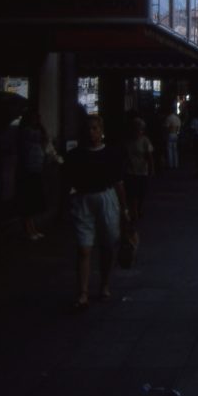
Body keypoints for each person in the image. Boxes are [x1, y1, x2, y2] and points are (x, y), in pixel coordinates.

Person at [63, 114, 130, 310]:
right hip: (83, 199)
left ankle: (104, 282)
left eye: (95, 129)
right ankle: (83, 292)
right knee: (84, 247)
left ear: (101, 131)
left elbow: (119, 183)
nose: (91, 133)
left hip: (105, 198)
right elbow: (68, 179)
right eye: (88, 129)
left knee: (107, 243)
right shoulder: (76, 155)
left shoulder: (110, 154)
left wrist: (124, 208)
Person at [17, 108, 50, 241]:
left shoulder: (32, 134)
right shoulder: (27, 133)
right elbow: (42, 138)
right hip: (28, 170)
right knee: (29, 202)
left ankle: (32, 228)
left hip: (35, 169)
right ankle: (29, 228)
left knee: (32, 202)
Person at [123, 117, 155, 222]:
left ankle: (139, 209)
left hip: (142, 171)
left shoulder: (145, 141)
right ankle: (135, 212)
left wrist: (151, 169)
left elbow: (149, 156)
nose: (138, 132)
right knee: (133, 193)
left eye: (140, 129)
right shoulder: (128, 141)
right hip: (130, 171)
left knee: (141, 193)